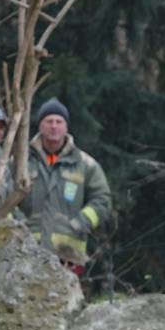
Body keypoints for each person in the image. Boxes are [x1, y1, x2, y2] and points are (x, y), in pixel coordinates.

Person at [21, 97, 111, 273]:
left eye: (59, 121)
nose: (54, 126)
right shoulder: (20, 161)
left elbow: (103, 200)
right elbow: (4, 197)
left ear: (66, 127)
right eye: (49, 121)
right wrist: (19, 226)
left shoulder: (85, 164)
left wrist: (79, 223)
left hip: (68, 255)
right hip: (26, 251)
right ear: (40, 126)